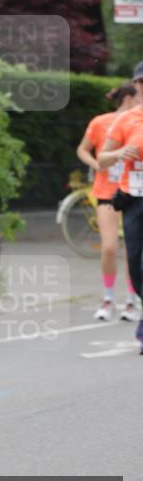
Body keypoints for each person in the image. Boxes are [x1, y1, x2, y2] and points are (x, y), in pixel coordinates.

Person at [76, 82, 138, 320]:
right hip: (106, 192)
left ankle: (132, 301)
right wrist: (97, 165)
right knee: (110, 247)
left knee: (133, 251)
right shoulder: (101, 122)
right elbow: (83, 150)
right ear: (128, 99)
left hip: (132, 192)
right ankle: (108, 298)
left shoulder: (138, 122)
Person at [98, 61, 143, 354]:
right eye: (141, 82)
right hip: (134, 197)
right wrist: (118, 153)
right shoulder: (127, 119)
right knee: (136, 261)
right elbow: (102, 157)